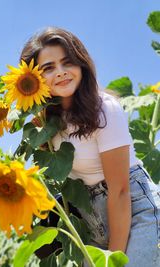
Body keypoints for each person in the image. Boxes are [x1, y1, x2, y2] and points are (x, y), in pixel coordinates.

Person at [20, 27, 160, 266]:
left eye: (68, 63)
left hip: (134, 209)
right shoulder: (45, 123)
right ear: (34, 78)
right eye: (49, 68)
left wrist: (110, 260)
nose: (61, 73)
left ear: (81, 64)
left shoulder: (104, 109)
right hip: (88, 219)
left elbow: (120, 191)